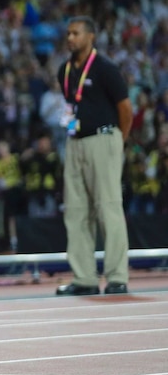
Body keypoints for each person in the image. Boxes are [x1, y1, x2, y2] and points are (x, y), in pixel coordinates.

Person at [55, 16, 132, 296]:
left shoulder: (105, 69)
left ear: (91, 36)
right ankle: (84, 278)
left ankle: (116, 277)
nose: (70, 38)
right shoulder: (63, 71)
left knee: (108, 206)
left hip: (103, 139)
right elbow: (70, 105)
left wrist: (116, 142)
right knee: (75, 211)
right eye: (68, 33)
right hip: (75, 142)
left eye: (76, 33)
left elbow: (126, 110)